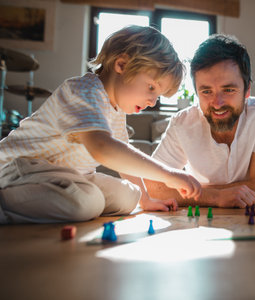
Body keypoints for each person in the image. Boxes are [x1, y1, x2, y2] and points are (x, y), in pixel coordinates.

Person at [0, 25, 201, 224]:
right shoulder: (83, 91)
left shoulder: (115, 109)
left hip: (68, 175)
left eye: (157, 95)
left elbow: (124, 156)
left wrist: (146, 200)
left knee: (130, 196)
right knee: (87, 203)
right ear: (121, 65)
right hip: (19, 169)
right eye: (151, 87)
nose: (152, 101)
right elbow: (102, 148)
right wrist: (168, 175)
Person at [144, 34, 255, 208]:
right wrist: (215, 197)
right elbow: (153, 186)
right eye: (206, 92)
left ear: (247, 90)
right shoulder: (182, 123)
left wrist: (199, 193)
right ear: (196, 93)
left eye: (229, 90)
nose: (217, 103)